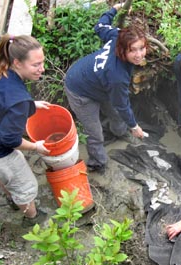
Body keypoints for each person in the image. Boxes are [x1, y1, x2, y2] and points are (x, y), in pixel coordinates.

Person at [64, 3, 148, 175]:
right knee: (95, 133)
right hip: (79, 89)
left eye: (141, 48)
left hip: (97, 80)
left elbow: (100, 25)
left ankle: (119, 132)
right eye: (133, 51)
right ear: (122, 49)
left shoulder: (116, 35)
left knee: (117, 115)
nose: (139, 55)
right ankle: (97, 162)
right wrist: (134, 126)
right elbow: (122, 104)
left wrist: (114, 9)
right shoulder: (117, 76)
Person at [0, 34, 51, 227]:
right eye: (36, 64)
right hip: (1, 153)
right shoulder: (18, 100)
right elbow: (10, 140)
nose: (42, 69)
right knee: (25, 185)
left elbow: (4, 102)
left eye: (42, 62)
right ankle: (31, 217)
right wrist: (36, 146)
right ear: (17, 63)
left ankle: (12, 198)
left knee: (5, 177)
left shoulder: (2, 69)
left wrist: (32, 104)